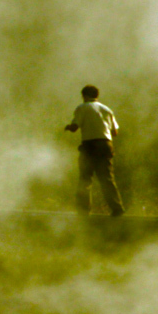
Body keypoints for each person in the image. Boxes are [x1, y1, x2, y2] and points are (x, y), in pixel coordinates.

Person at [65, 85, 125, 216]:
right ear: (97, 95)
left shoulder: (82, 107)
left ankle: (83, 210)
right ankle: (117, 209)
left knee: (85, 179)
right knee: (107, 179)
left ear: (84, 96)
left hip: (90, 145)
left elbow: (75, 127)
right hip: (106, 144)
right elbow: (114, 132)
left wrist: (69, 127)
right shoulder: (107, 109)